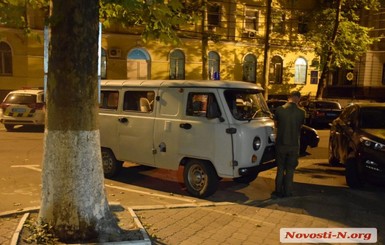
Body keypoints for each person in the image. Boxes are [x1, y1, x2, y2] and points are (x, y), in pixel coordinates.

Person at [272, 91, 305, 198]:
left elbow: (276, 125)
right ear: (298, 99)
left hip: (281, 144)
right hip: (294, 144)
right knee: (290, 169)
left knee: (280, 168)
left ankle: (278, 190)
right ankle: (288, 191)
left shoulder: (279, 110)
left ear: (288, 97)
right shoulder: (301, 112)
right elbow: (300, 126)